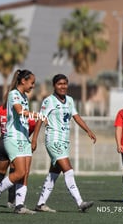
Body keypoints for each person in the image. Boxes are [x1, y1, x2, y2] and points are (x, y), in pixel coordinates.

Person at [31, 73, 96, 213]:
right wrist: (34, 139)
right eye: (59, 84)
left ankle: (40, 204)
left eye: (65, 84)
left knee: (53, 173)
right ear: (54, 85)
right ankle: (80, 203)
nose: (63, 86)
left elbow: (76, 117)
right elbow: (40, 119)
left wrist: (88, 130)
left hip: (64, 141)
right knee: (69, 170)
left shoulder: (70, 100)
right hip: (53, 140)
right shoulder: (49, 101)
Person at [0, 69, 37, 215]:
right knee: (19, 172)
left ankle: (20, 206)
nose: (33, 86)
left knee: (25, 173)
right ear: (23, 81)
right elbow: (20, 111)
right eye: (32, 83)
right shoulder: (13, 94)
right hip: (13, 138)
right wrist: (39, 115)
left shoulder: (24, 96)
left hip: (24, 138)